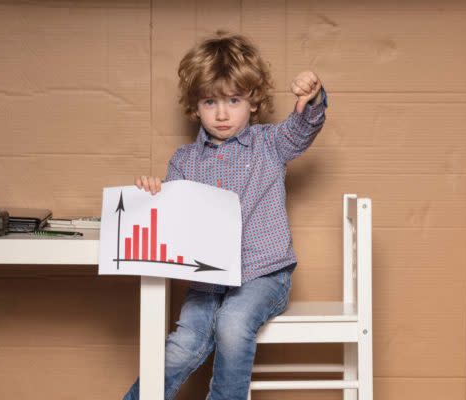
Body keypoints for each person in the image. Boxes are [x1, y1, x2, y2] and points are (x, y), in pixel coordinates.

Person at [123, 30, 328, 400]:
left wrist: (309, 99)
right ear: (194, 107)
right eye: (209, 102)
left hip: (263, 274)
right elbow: (173, 224)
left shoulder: (270, 144)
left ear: (252, 102)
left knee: (233, 324)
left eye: (233, 100)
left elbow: (303, 129)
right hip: (207, 279)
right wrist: (153, 194)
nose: (221, 113)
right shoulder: (184, 161)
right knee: (184, 341)